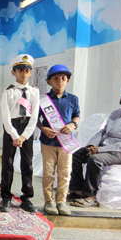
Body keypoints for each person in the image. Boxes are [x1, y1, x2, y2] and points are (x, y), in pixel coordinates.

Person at [68, 81, 121, 207]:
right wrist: (91, 146)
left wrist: (100, 150)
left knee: (95, 160)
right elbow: (102, 132)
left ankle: (92, 196)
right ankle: (77, 190)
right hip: (104, 147)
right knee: (77, 153)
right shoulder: (116, 113)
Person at [37, 64, 81, 216]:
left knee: (65, 172)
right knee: (48, 172)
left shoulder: (73, 99)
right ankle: (49, 201)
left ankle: (61, 201)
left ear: (67, 80)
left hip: (66, 142)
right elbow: (35, 120)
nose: (60, 81)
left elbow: (76, 116)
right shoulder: (43, 99)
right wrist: (43, 128)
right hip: (47, 142)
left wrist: (72, 125)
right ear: (49, 81)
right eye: (55, 78)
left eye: (63, 78)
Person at [0, 54, 40, 213]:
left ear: (30, 72)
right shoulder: (9, 91)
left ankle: (26, 197)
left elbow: (34, 116)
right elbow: (5, 116)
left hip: (27, 128)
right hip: (12, 128)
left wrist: (24, 136)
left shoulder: (34, 91)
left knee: (27, 163)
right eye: (20, 70)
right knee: (7, 163)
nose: (24, 73)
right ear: (13, 72)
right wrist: (15, 136)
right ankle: (6, 197)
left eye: (27, 70)